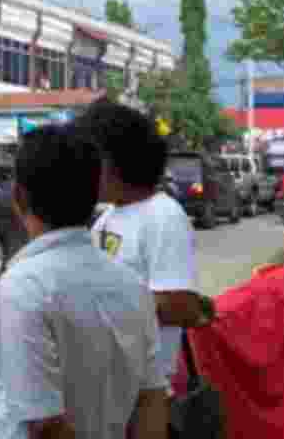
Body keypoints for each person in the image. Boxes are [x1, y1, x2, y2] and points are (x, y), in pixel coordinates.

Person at [0, 124, 169, 439]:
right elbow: (151, 399)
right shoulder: (132, 285)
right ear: (95, 195)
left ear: (19, 197)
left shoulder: (23, 288)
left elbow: (46, 425)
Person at [75, 101, 214, 392]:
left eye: (87, 157)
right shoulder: (107, 217)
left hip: (144, 392)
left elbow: (180, 306)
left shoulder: (163, 216)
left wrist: (97, 303)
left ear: (112, 162)